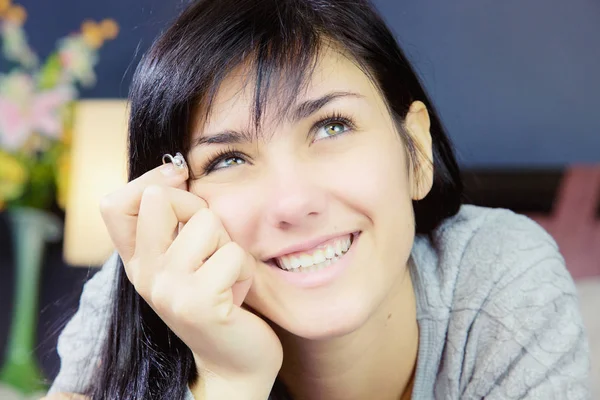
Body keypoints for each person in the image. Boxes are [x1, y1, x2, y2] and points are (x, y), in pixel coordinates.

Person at [44, 0, 591, 399]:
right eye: (228, 160)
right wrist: (229, 381)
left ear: (416, 151)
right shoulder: (145, 288)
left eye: (332, 126)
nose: (293, 202)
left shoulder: (498, 279)